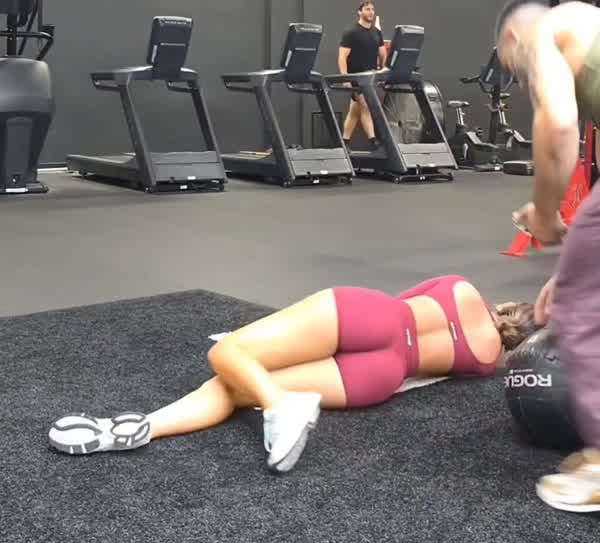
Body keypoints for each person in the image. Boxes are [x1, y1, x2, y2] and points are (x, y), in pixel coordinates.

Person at [49, 275, 538, 474]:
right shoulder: (485, 361)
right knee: (236, 388)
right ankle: (141, 427)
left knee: (229, 353)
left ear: (507, 305)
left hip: (374, 316)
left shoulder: (462, 287)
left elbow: (401, 301)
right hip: (384, 373)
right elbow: (433, 376)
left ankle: (279, 405)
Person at [496, 0, 600, 513]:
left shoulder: (544, 31)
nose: (521, 81)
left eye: (511, 69)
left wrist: (543, 213)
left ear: (511, 40)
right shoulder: (587, 27)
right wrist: (577, 269)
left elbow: (558, 126)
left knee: (581, 312)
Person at [338, 1, 387, 148]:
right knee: (365, 106)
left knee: (355, 111)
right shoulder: (351, 32)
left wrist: (383, 70)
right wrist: (345, 77)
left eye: (372, 9)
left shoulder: (376, 32)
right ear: (359, 12)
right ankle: (373, 141)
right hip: (356, 78)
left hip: (370, 77)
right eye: (367, 9)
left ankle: (344, 142)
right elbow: (342, 56)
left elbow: (383, 52)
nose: (371, 12)